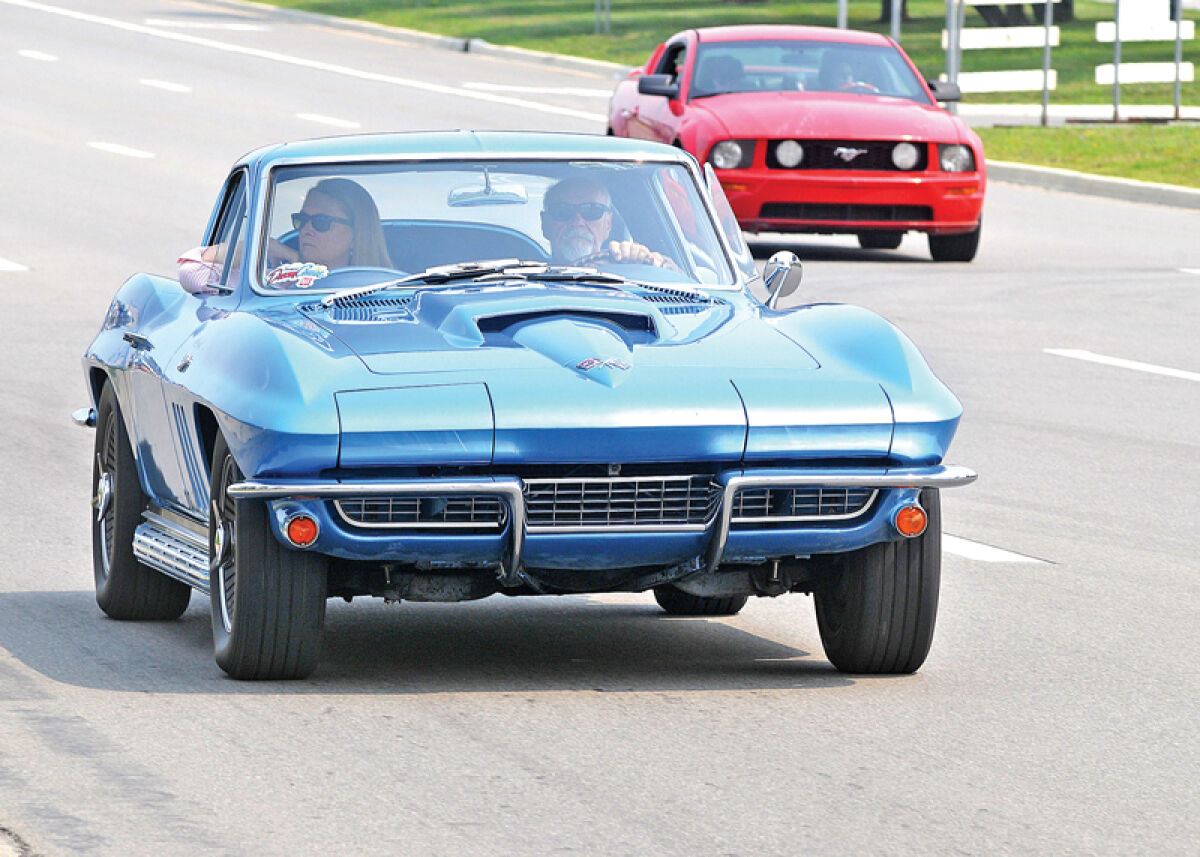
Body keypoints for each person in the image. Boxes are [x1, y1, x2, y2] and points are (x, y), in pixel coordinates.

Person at [179, 177, 391, 294]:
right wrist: (260, 247)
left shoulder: (390, 287)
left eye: (321, 223)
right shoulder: (277, 281)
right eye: (301, 220)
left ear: (357, 234)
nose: (306, 229)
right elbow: (192, 271)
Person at [540, 177, 676, 269]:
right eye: (563, 211)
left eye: (592, 211)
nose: (577, 221)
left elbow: (676, 285)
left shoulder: (629, 273)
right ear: (545, 224)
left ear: (608, 224)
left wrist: (649, 260)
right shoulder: (522, 279)